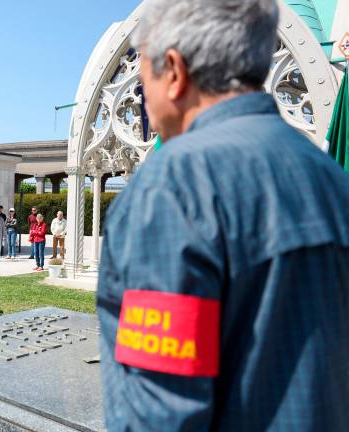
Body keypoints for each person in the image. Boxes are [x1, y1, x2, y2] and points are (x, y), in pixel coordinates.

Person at [97, 0, 349, 430]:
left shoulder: (171, 190)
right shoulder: (332, 179)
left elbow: (159, 414)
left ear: (174, 72)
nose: (146, 106)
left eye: (142, 86)